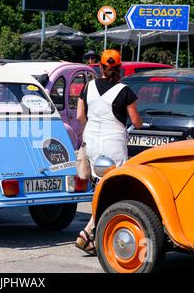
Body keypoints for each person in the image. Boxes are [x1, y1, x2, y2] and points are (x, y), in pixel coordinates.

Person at [75, 49, 142, 255]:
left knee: (99, 188)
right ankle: (89, 233)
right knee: (116, 190)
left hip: (92, 142)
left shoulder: (88, 87)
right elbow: (136, 121)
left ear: (101, 67)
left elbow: (79, 116)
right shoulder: (125, 91)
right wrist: (140, 124)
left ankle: (92, 233)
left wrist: (89, 131)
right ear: (119, 67)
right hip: (113, 144)